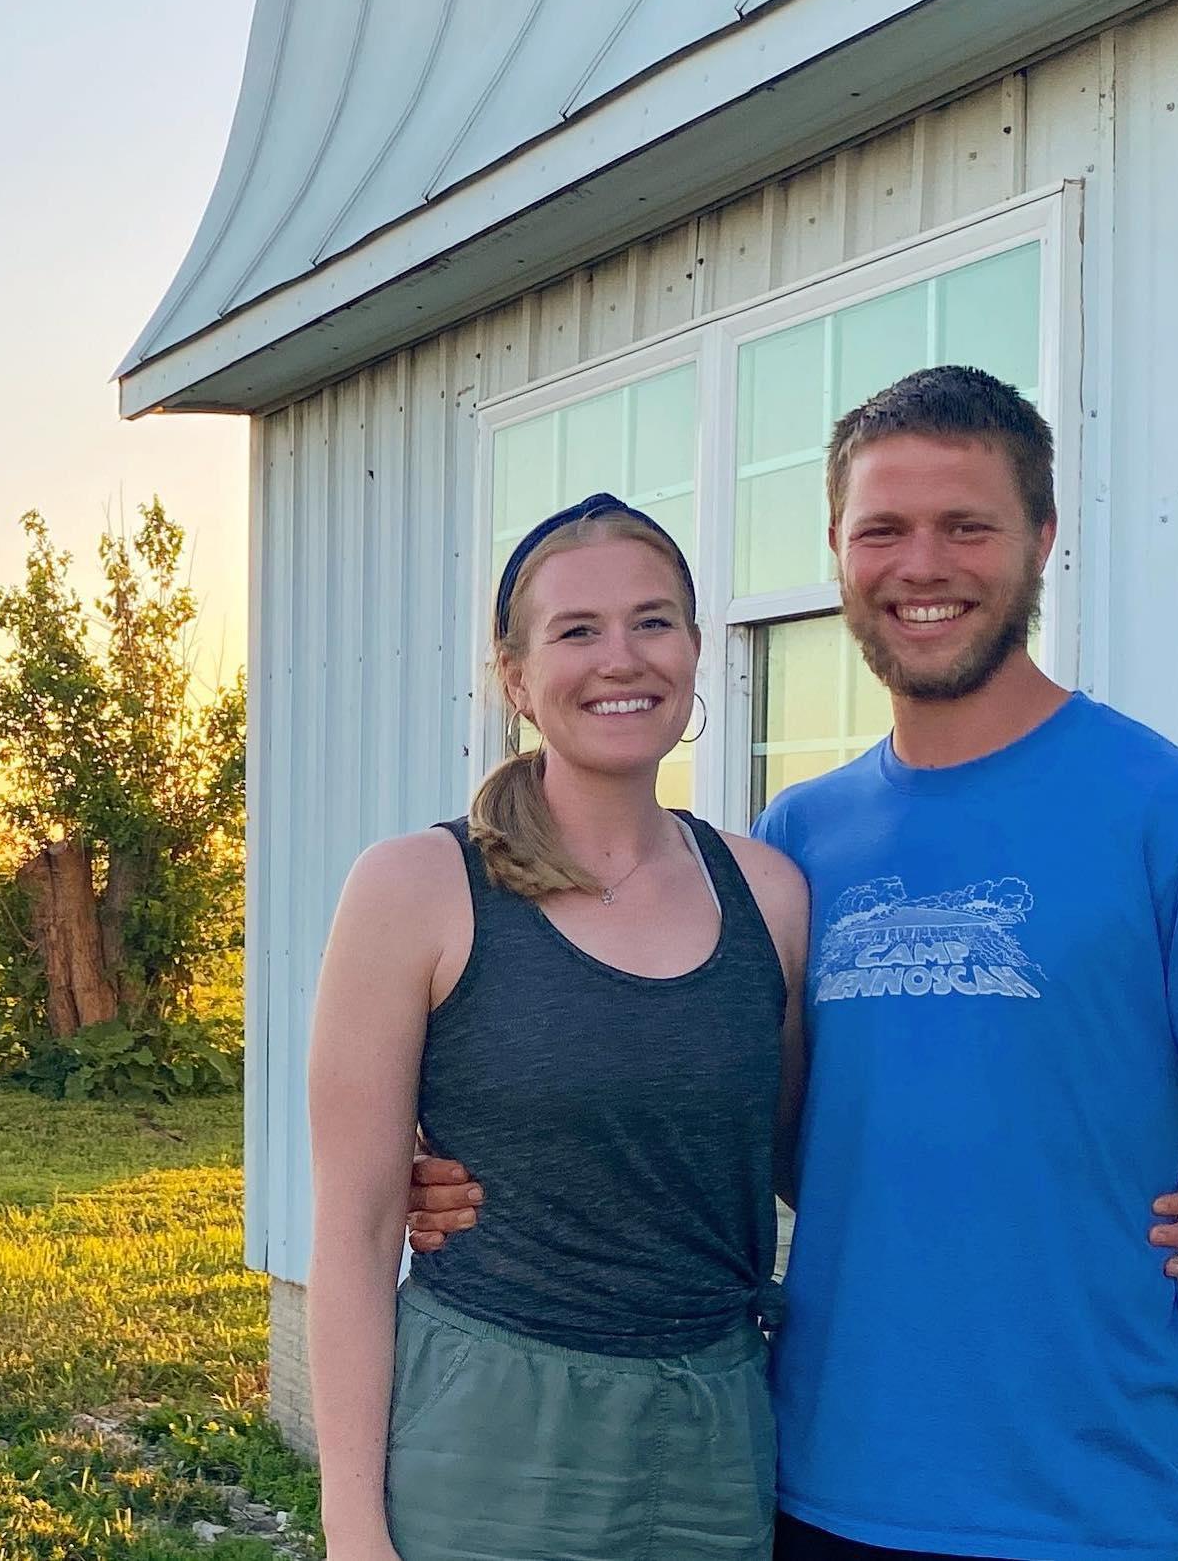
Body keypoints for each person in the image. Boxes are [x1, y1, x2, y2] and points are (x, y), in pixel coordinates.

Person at [411, 367, 1178, 1561]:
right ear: (836, 551)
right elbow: (736, 1126)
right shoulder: (793, 850)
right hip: (808, 1479)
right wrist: (481, 1174)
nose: (920, 565)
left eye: (966, 526)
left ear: (1041, 539)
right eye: (881, 529)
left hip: (1088, 1498)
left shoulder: (1175, 812)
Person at [307, 493, 809, 1561]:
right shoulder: (417, 887)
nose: (620, 658)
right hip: (490, 1424)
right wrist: (353, 1528)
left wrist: (1108, 1195)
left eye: (653, 620)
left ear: (694, 650)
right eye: (576, 630)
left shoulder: (769, 894)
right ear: (517, 678)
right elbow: (352, 1233)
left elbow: (815, 1164)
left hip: (715, 1433)